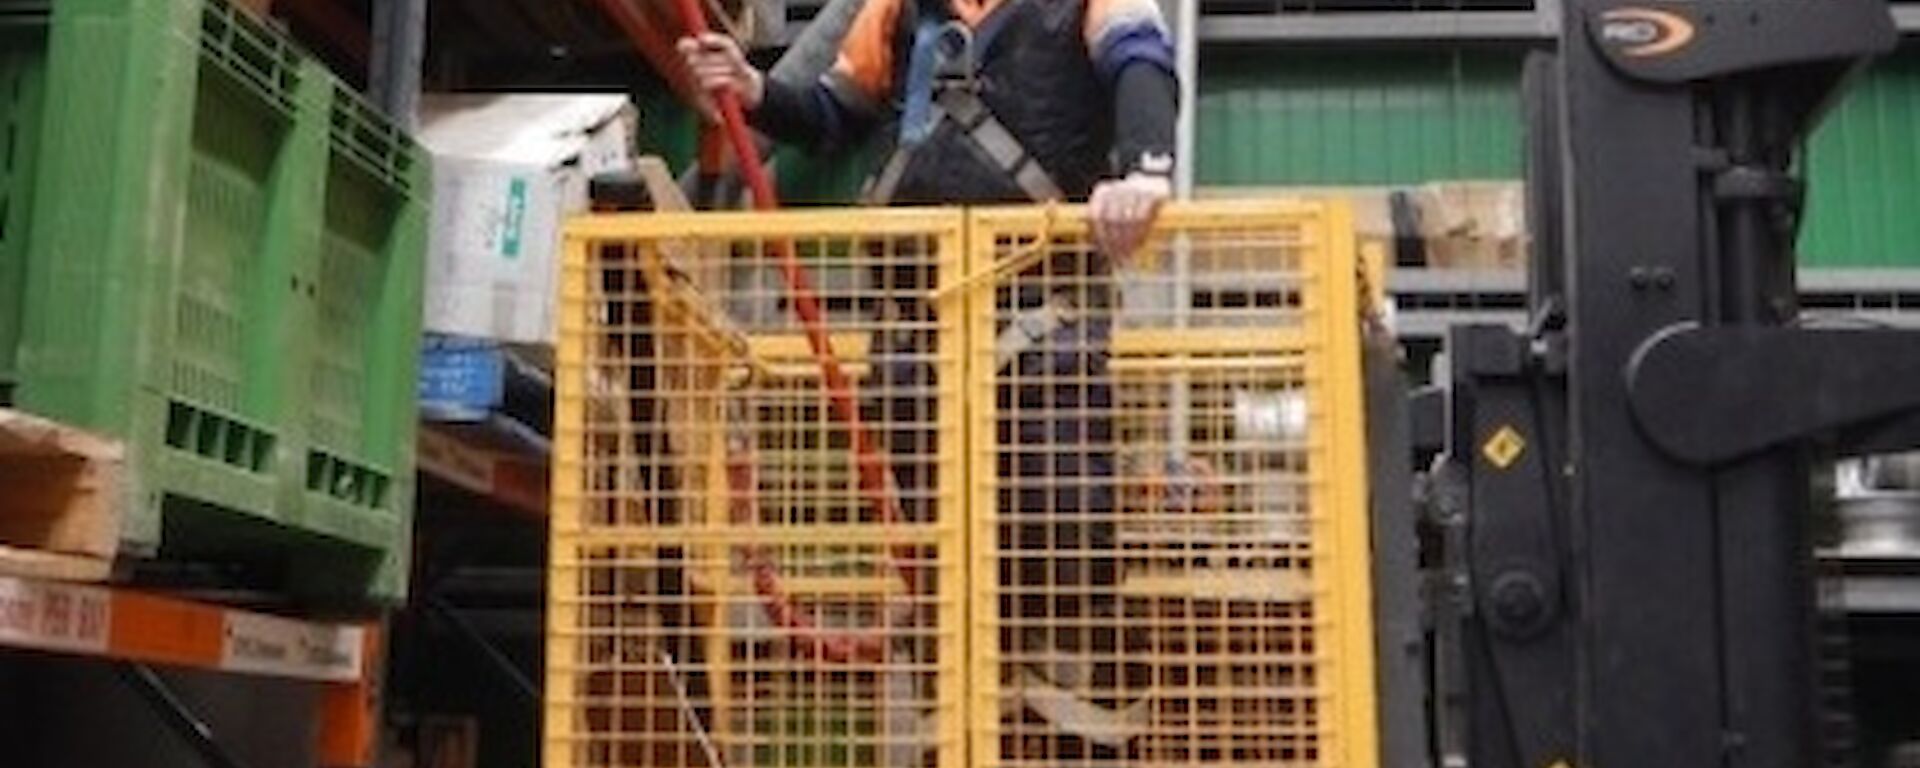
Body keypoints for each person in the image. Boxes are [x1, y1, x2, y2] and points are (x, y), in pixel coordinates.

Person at [679, 2, 1177, 758]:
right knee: (938, 561)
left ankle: (1078, 742)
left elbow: (1137, 60)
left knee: (1063, 526)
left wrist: (1148, 170)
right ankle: (958, 734)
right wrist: (755, 90)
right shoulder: (899, 11)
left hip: (1045, 316)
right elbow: (830, 114)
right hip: (920, 327)